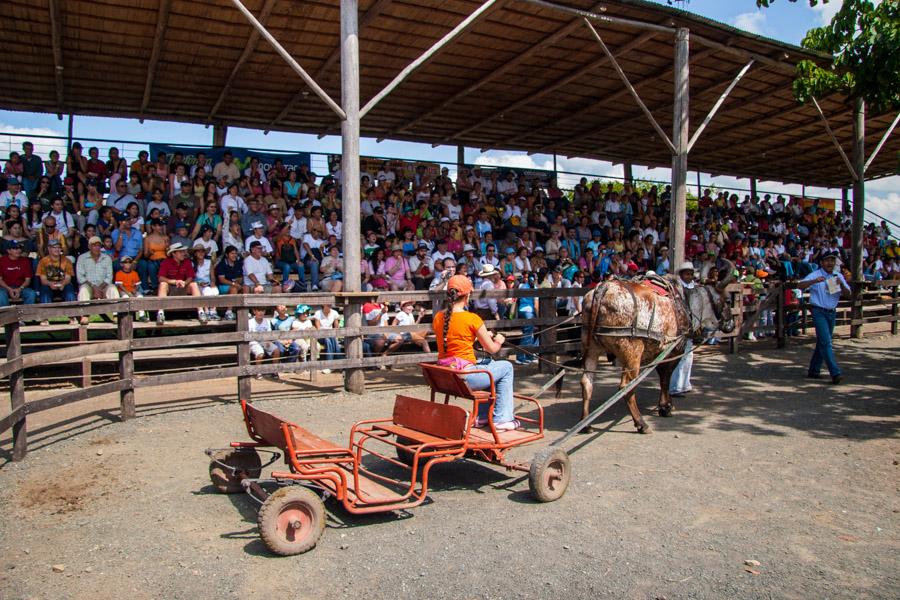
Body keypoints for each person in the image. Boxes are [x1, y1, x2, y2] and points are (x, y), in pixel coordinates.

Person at [432, 275, 519, 431]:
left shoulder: (438, 317)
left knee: (489, 365)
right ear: (468, 295)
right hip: (464, 377)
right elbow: (492, 349)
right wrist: (498, 340)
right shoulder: (472, 318)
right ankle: (502, 419)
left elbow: (455, 338)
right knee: (506, 367)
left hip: (446, 374)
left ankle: (484, 416)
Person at [796, 250, 851, 384]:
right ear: (821, 262)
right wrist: (814, 281)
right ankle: (835, 372)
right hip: (818, 311)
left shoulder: (838, 275)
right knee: (826, 342)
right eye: (827, 260)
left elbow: (848, 294)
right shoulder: (815, 274)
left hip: (831, 312)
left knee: (823, 341)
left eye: (832, 260)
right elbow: (799, 285)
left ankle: (814, 370)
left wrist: (841, 284)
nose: (830, 263)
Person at [156, 242, 204, 325]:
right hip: (170, 288)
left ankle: (201, 312)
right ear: (173, 253)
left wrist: (185, 283)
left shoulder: (187, 262)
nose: (183, 254)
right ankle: (160, 313)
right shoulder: (166, 262)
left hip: (183, 287)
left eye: (183, 251)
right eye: (180, 252)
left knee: (194, 284)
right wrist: (174, 281)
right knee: (163, 284)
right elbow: (161, 278)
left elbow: (190, 277)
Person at [76, 236, 120, 323]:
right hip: (89, 285)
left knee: (113, 289)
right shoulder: (82, 258)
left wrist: (100, 288)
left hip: (103, 286)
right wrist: (94, 288)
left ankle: (116, 315)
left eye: (98, 245)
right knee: (83, 289)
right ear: (89, 246)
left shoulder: (107, 258)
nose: (96, 247)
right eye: (94, 245)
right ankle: (85, 315)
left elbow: (109, 276)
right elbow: (80, 277)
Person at [670, 262, 697, 397]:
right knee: (679, 357)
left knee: (689, 356)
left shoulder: (694, 287)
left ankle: (685, 384)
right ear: (681, 274)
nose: (690, 276)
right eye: (687, 274)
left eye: (691, 274)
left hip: (691, 324)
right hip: (681, 324)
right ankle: (675, 386)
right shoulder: (677, 288)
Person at [36, 239, 76, 305]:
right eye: (54, 247)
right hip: (48, 285)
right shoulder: (43, 261)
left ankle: (73, 314)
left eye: (59, 247)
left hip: (63, 284)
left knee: (70, 291)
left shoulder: (67, 261)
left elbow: (68, 278)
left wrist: (63, 283)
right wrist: (50, 284)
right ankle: (46, 314)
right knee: (44, 291)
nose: (57, 249)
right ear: (49, 248)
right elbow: (43, 280)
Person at [0, 241, 38, 307]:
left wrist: (19, 289)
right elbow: (0, 280)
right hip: (5, 287)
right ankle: (7, 316)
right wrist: (9, 289)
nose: (19, 250)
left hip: (21, 287)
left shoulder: (25, 261)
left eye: (20, 248)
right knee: (0, 295)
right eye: (15, 248)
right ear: (8, 251)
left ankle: (26, 315)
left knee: (31, 293)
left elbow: (27, 280)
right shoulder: (1, 261)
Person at [248, 307, 280, 379]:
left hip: (264, 340)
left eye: (262, 311)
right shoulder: (250, 322)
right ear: (254, 311)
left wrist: (268, 340)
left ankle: (275, 370)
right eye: (259, 310)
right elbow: (250, 335)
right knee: (260, 353)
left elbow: (269, 333)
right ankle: (258, 371)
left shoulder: (267, 321)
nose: (261, 313)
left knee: (276, 350)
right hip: (253, 341)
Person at [113, 256, 149, 322]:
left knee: (140, 296)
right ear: (121, 264)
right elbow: (120, 285)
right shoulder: (119, 273)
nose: (128, 264)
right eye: (125, 262)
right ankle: (125, 316)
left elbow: (137, 284)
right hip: (123, 291)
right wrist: (128, 293)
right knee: (125, 297)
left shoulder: (134, 273)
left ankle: (141, 315)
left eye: (130, 262)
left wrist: (135, 289)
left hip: (132, 290)